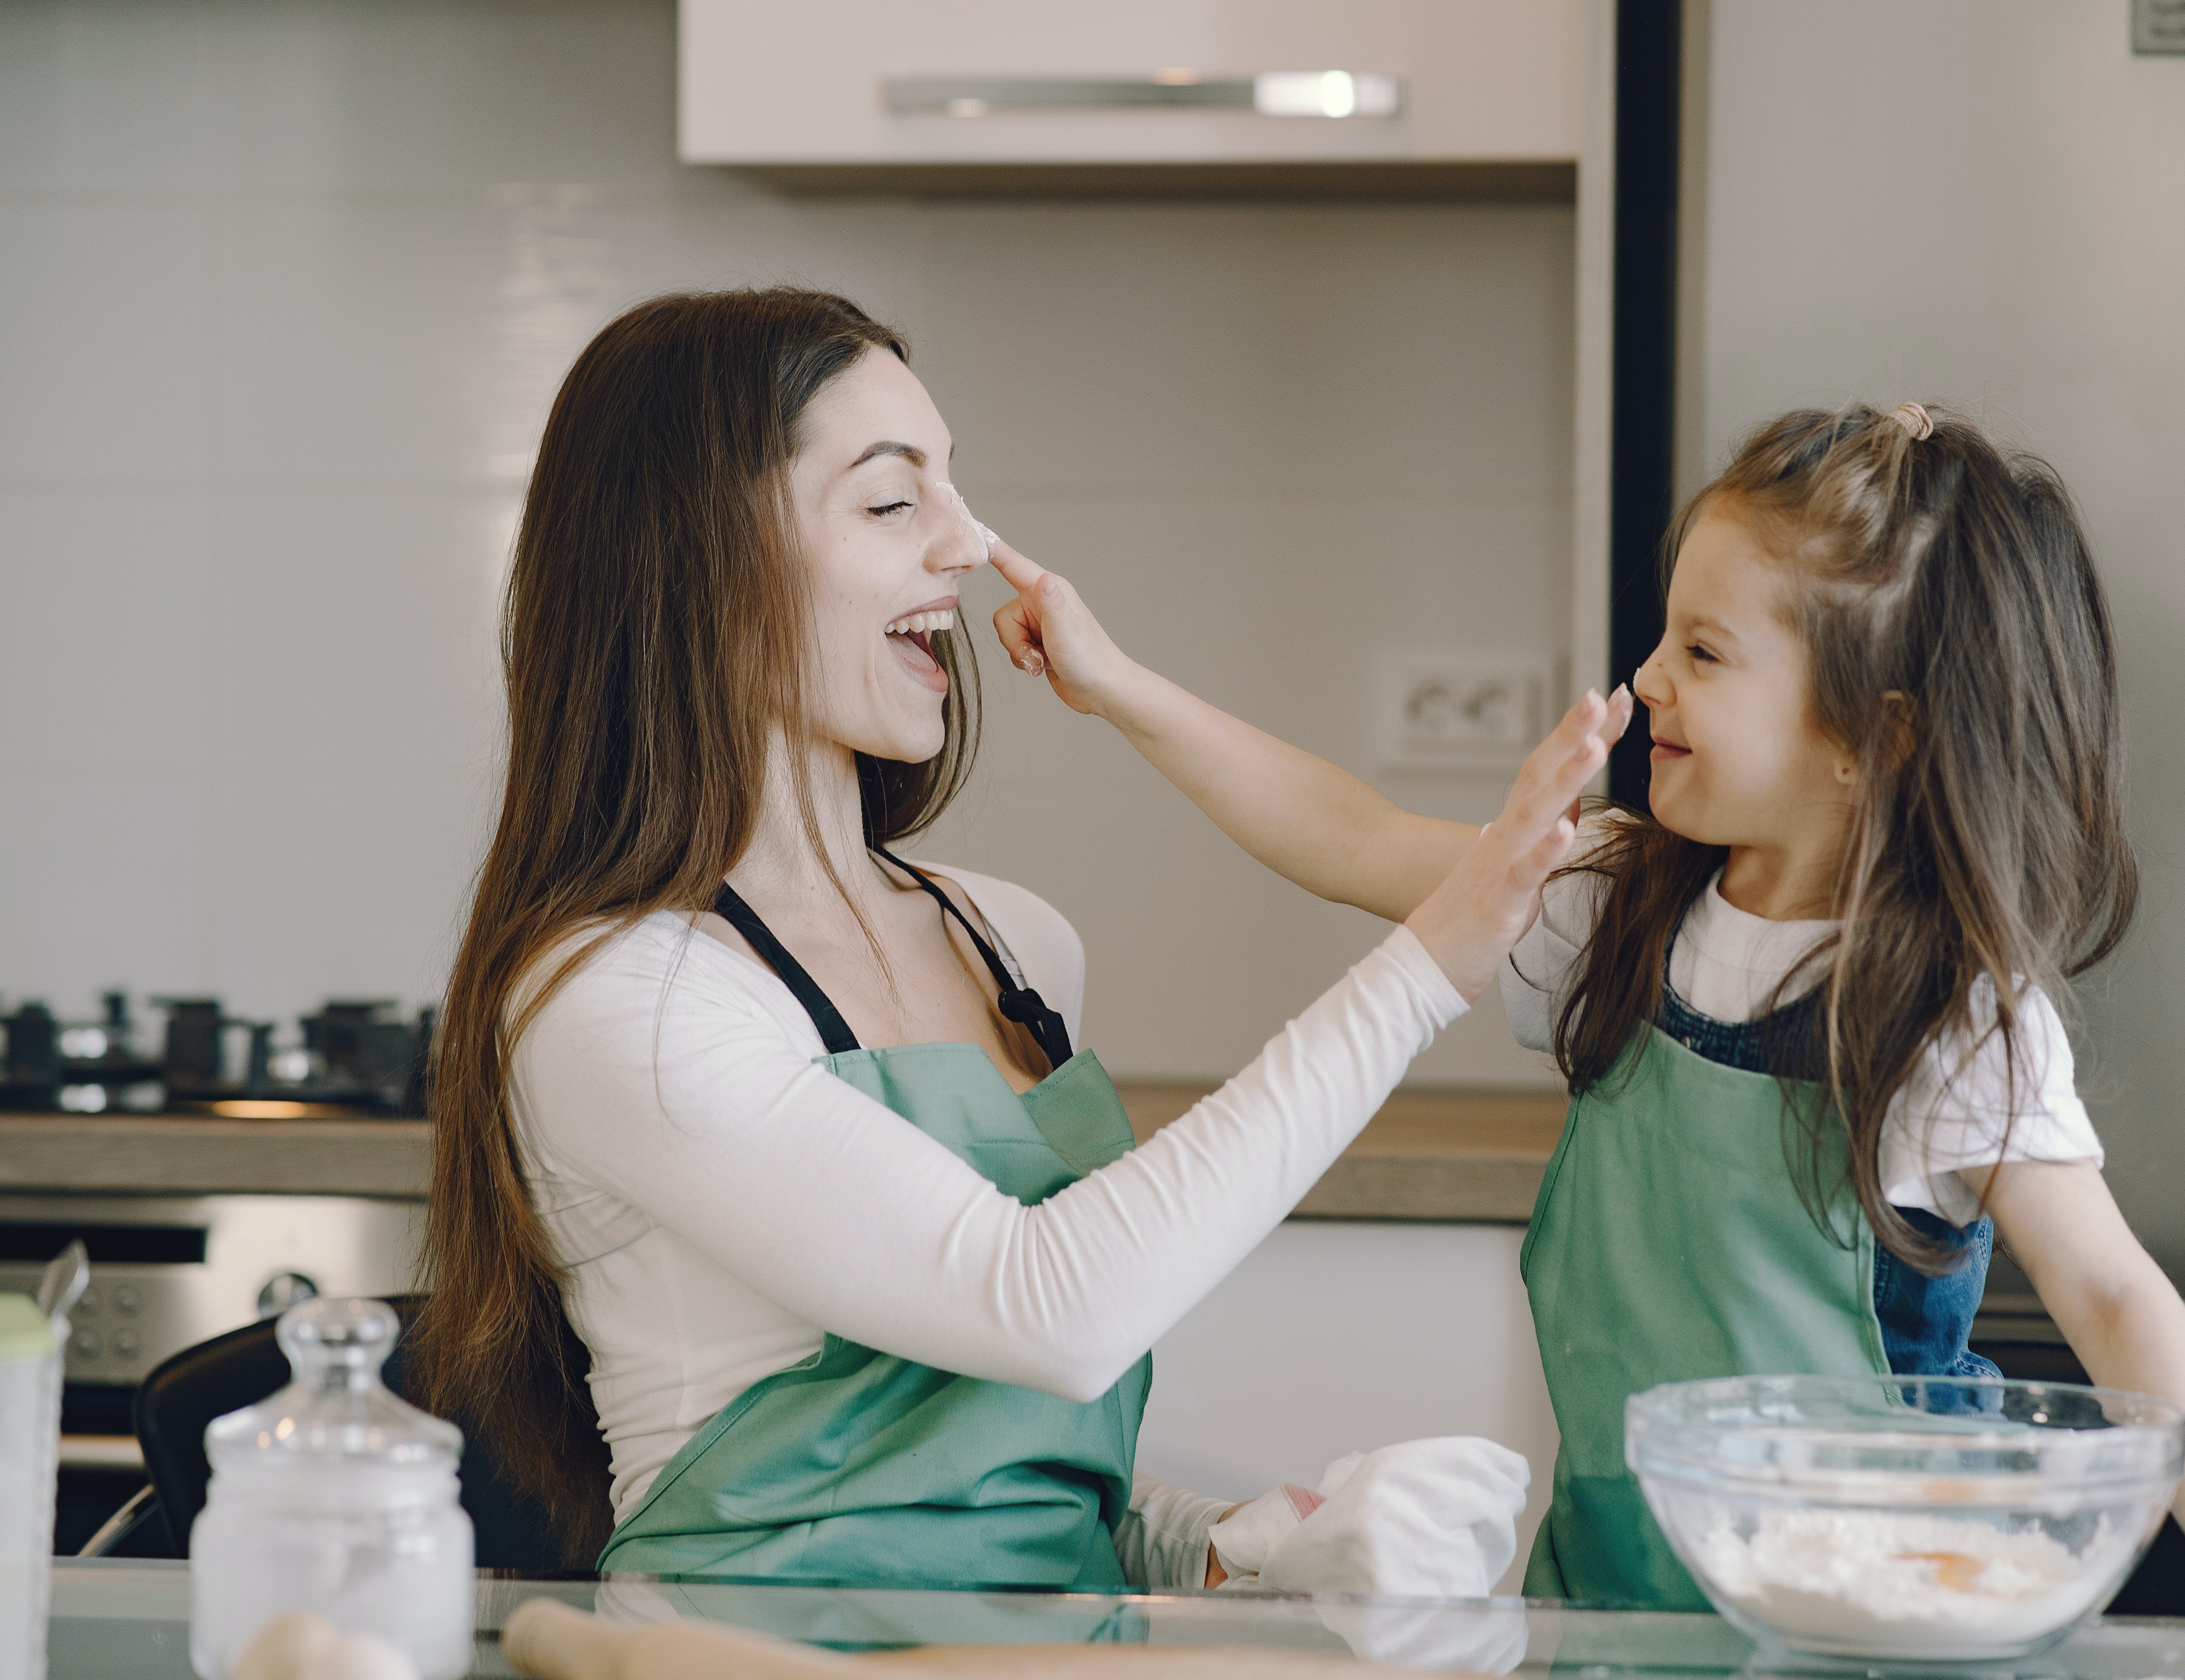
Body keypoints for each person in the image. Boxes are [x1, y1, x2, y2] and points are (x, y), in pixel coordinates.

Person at [985, 402, 2185, 1635]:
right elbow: (1348, 834)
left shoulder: (1947, 1017)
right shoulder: (1617, 898)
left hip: (1878, 1622)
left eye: (1707, 654)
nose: (1648, 678)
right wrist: (1116, 689)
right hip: (1612, 1603)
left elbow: (2110, 1292)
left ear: (1875, 741)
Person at [405, 287, 1617, 1592]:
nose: (967, 543)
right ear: (699, 557)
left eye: (953, 491)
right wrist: (1432, 960)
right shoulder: (623, 999)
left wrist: (1236, 1545)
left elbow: (1004, 1476)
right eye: (890, 501)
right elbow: (1051, 1307)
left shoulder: (1009, 943)